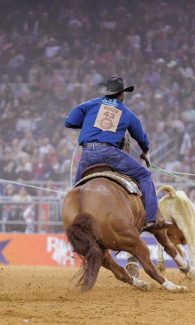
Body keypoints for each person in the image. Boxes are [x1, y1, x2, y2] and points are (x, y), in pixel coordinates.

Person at [64, 76, 169, 233]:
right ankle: (151, 218)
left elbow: (70, 122)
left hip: (86, 154)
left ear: (107, 92)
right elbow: (142, 138)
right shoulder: (126, 113)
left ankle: (74, 227)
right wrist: (145, 152)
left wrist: (89, 122)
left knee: (77, 190)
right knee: (145, 175)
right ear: (122, 95)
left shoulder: (90, 105)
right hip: (109, 154)